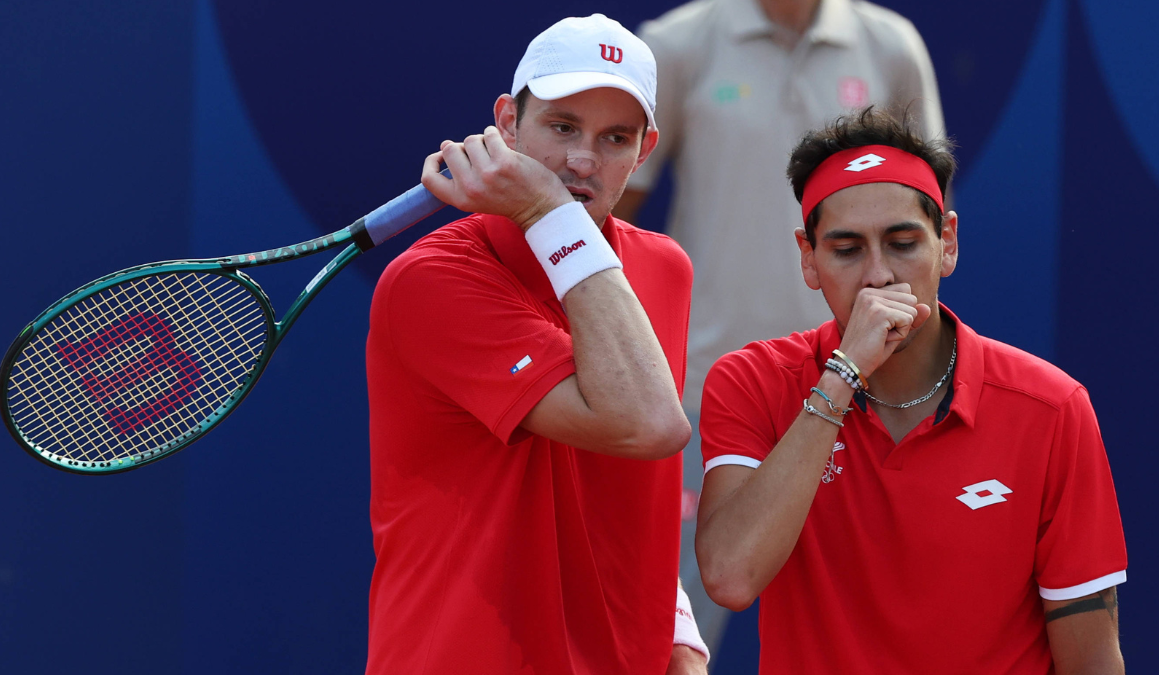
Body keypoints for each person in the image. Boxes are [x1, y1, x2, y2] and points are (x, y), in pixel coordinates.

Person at [695, 107, 1127, 673]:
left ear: (946, 242)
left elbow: (1091, 656)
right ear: (809, 257)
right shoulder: (751, 382)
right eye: (847, 250)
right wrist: (845, 374)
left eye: (902, 243)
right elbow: (730, 575)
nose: (878, 276)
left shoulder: (1051, 407)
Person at [366, 15, 710, 675]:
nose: (584, 160)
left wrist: (676, 634)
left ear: (646, 150)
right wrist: (549, 214)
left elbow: (628, 487)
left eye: (616, 137)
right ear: (508, 122)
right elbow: (649, 422)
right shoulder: (430, 283)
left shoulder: (665, 270)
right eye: (562, 127)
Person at [612, 0, 946, 646]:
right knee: (662, 636)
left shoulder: (891, 47)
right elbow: (607, 215)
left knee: (871, 631)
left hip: (868, 398)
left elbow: (924, 221)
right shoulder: (678, 44)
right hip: (703, 395)